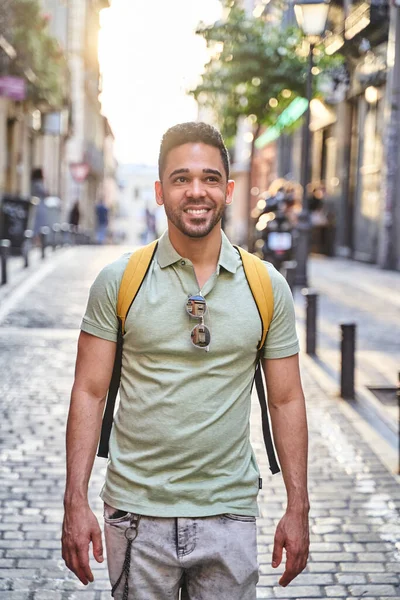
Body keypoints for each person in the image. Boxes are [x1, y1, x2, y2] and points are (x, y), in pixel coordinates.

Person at [62, 122, 309, 600]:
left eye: (210, 178)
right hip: (137, 514)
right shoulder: (119, 281)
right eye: (181, 178)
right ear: (159, 191)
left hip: (230, 514)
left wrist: (298, 506)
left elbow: (286, 398)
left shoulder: (266, 286)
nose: (197, 191)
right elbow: (89, 391)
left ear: (229, 189)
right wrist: (75, 501)